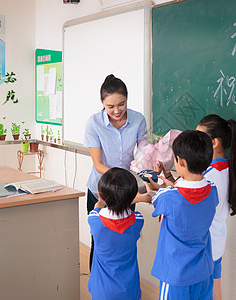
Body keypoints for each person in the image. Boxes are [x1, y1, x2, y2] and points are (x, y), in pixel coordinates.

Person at [142, 130, 219, 300]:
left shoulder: (169, 197)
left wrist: (150, 180)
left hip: (176, 274)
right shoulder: (212, 190)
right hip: (203, 271)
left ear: (181, 161)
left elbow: (154, 195)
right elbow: (185, 190)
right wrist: (167, 181)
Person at [84, 74, 148, 270]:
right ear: (102, 103)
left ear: (127, 99)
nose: (117, 111)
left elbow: (144, 154)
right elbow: (98, 164)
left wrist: (150, 167)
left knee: (125, 243)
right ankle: (98, 286)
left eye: (121, 104)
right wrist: (121, 182)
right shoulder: (94, 123)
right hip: (100, 190)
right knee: (99, 242)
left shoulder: (138, 120)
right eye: (110, 107)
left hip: (128, 192)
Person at [197, 114, 236, 300]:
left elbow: (192, 205)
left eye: (200, 136)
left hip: (205, 242)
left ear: (214, 142)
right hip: (217, 239)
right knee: (215, 286)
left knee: (202, 291)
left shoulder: (210, 176)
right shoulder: (225, 168)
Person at [87, 167, 144, 300]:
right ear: (133, 196)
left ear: (100, 195)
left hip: (102, 291)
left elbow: (96, 209)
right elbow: (132, 212)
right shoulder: (137, 221)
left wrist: (100, 203)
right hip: (129, 290)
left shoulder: (96, 221)